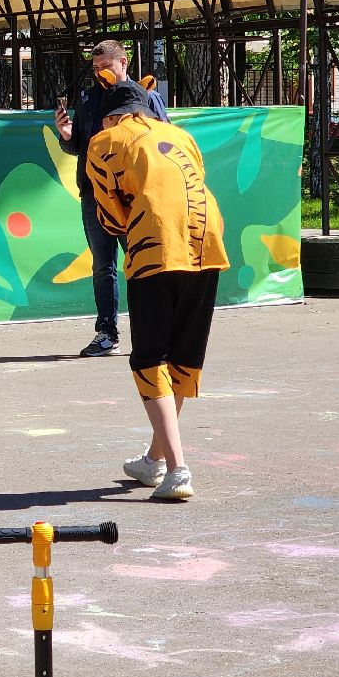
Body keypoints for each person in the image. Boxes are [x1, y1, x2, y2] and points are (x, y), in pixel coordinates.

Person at [85, 78, 229, 501]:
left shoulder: (104, 142)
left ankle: (179, 469)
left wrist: (129, 228)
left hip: (156, 248)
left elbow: (111, 213)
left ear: (110, 116)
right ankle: (155, 460)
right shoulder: (180, 133)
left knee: (150, 359)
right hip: (207, 245)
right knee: (181, 359)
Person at [54, 40, 168, 358]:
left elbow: (164, 140)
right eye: (95, 68)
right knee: (103, 266)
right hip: (94, 194)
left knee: (142, 262)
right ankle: (107, 334)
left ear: (123, 62)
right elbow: (79, 145)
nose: (100, 73)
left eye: (105, 66)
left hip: (134, 195)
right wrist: (66, 135)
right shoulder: (89, 98)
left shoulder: (147, 96)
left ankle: (153, 331)